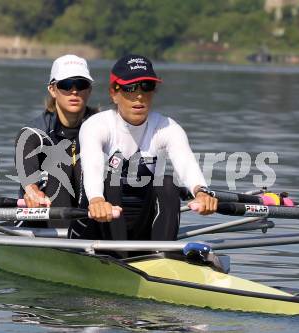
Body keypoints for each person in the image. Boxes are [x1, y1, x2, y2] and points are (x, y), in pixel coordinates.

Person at [68, 54, 217, 243]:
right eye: (130, 87)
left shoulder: (167, 127)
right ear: (114, 93)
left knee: (168, 183)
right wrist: (97, 200)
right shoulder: (96, 125)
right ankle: (120, 256)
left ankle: (161, 253)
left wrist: (202, 192)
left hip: (141, 229)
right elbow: (92, 167)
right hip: (94, 229)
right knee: (110, 181)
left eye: (147, 86)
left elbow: (186, 164)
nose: (139, 95)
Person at [15, 54, 96, 228]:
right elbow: (28, 178)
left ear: (89, 90)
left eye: (81, 85)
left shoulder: (103, 127)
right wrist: (32, 190)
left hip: (91, 218)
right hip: (42, 221)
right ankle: (63, 245)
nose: (74, 91)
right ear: (52, 89)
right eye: (66, 85)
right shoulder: (33, 133)